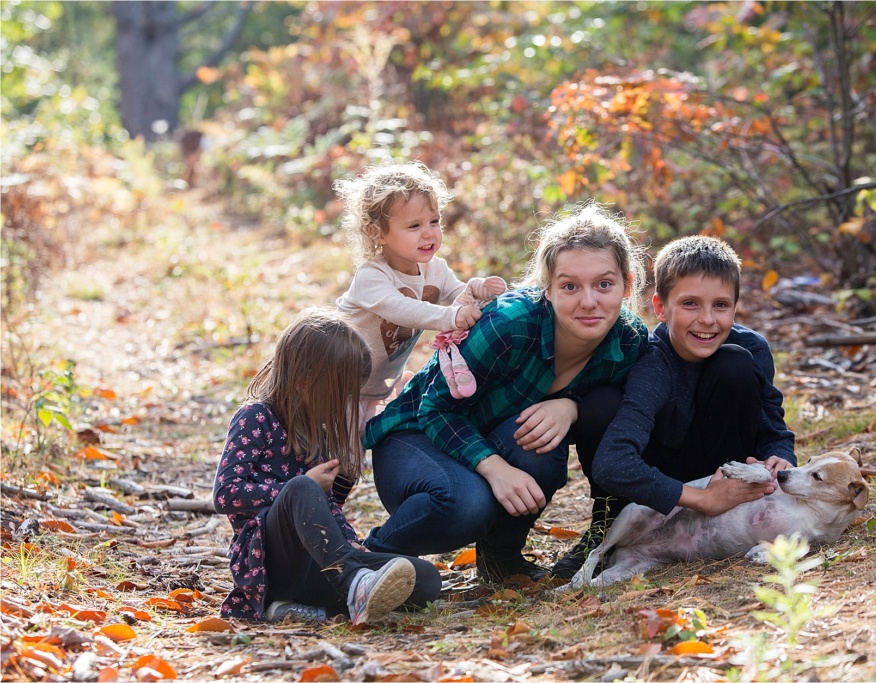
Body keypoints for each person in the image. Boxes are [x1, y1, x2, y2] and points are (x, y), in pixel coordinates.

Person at [362, 203, 650, 585]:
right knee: (465, 505)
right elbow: (435, 410)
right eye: (569, 286)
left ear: (626, 286)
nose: (588, 301)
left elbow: (615, 410)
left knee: (543, 446)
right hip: (417, 436)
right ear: (546, 289)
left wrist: (571, 405)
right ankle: (366, 559)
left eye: (604, 284)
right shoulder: (510, 325)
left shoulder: (628, 341)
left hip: (489, 436)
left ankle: (501, 560)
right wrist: (494, 469)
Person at [550, 234, 797, 579]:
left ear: (736, 307)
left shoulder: (751, 348)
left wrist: (779, 454)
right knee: (602, 401)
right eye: (691, 304)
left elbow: (772, 426)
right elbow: (612, 464)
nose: (708, 319)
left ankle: (726, 516)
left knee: (734, 364)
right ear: (661, 308)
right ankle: (607, 525)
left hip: (723, 474)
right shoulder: (651, 362)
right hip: (663, 481)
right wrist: (701, 499)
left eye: (721, 305)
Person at [212, 308, 442, 624]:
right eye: (341, 393)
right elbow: (226, 493)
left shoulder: (317, 435)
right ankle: (354, 585)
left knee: (425, 577)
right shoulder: (256, 417)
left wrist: (349, 543)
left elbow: (328, 508)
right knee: (301, 488)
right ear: (308, 380)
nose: (345, 403)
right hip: (271, 564)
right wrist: (297, 487)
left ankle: (314, 610)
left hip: (321, 566)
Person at [334, 160, 506, 430]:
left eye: (434, 221)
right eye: (414, 226)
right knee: (340, 448)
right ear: (377, 233)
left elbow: (458, 294)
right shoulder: (372, 276)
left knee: (369, 440)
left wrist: (477, 292)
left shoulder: (435, 268)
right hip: (341, 380)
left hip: (378, 383)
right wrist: (452, 316)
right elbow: (400, 308)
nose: (429, 232)